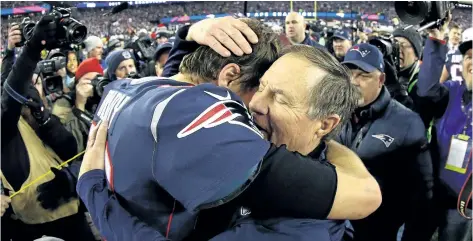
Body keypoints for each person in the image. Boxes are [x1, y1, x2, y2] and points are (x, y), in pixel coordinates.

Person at [77, 17, 381, 241]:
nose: (256, 104)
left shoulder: (304, 226)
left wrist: (96, 195)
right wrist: (189, 34)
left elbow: (367, 196)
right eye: (260, 87)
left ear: (325, 124)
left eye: (279, 97)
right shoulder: (211, 122)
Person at [1, 15, 95, 241]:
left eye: (35, 82)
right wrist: (31, 49)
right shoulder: (7, 127)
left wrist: (71, 181)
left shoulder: (45, 114)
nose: (32, 88)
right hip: (35, 230)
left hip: (76, 220)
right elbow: (10, 93)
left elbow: (73, 150)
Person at [338, 43, 434, 241]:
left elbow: (424, 195)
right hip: (336, 227)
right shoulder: (334, 113)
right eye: (349, 74)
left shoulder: (407, 122)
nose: (353, 82)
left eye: (363, 75)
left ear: (381, 79)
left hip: (379, 231)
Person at [418, 26, 472, 241]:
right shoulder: (452, 91)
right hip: (442, 201)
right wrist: (435, 42)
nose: (472, 62)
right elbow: (426, 89)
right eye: (468, 57)